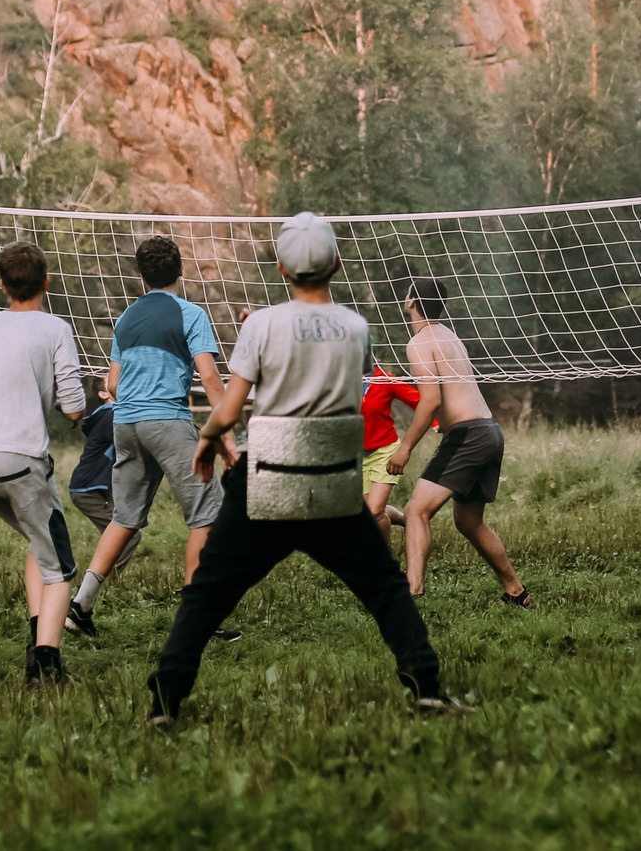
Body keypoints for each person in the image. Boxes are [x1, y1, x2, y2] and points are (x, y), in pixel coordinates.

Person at [146, 213, 449, 726]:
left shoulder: (260, 325)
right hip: (332, 473)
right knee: (384, 587)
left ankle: (165, 701)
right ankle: (428, 687)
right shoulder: (356, 328)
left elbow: (231, 406)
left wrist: (208, 437)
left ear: (282, 268)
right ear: (337, 264)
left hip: (269, 467)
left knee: (209, 591)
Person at [69, 235, 233, 638]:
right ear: (181, 270)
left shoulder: (126, 318)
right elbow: (210, 377)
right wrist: (226, 438)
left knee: (124, 518)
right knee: (206, 514)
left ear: (142, 276)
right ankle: (197, 621)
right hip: (166, 420)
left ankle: (81, 605)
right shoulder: (190, 313)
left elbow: (113, 383)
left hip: (125, 423)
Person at [0, 242, 88, 684]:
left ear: (2, 285)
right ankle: (45, 666)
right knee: (61, 568)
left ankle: (37, 640)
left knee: (37, 541)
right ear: (47, 282)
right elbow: (74, 405)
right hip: (21, 461)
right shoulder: (55, 328)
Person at [387, 277, 532, 604]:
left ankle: (412, 594)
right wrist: (447, 423)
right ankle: (516, 591)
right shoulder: (450, 335)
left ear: (411, 302)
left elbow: (430, 400)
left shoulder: (420, 341)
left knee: (415, 510)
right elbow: (455, 392)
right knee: (468, 521)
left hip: (470, 436)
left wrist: (405, 448)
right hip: (488, 430)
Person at [61, 376, 142, 635]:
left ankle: (95, 585)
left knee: (118, 534)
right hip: (90, 491)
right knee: (129, 534)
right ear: (104, 394)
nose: (118, 377)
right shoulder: (110, 415)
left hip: (91, 489)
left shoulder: (106, 415)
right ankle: (104, 586)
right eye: (110, 379)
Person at [360, 360, 422, 543]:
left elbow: (423, 403)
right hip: (356, 455)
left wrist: (436, 422)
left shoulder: (385, 380)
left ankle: (385, 555)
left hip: (384, 451)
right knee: (368, 510)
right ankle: (405, 520)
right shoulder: (338, 381)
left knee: (375, 511)